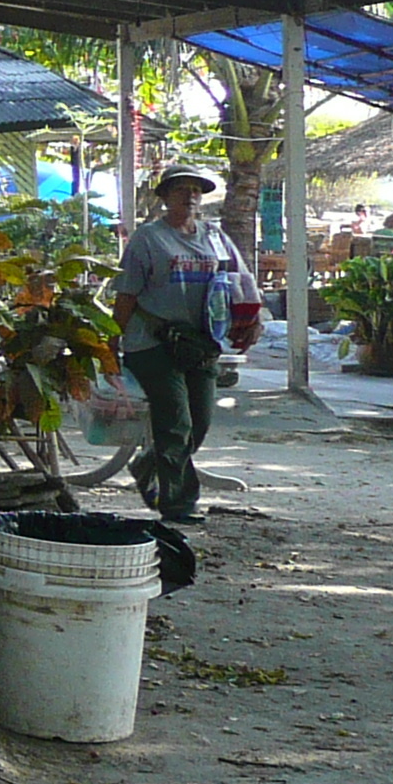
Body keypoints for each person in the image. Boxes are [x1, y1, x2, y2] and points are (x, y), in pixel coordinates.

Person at [111, 165, 264, 524]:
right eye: (180, 189)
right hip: (152, 342)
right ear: (163, 196)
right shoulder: (148, 239)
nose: (190, 195)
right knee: (175, 422)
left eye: (196, 189)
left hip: (200, 342)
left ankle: (149, 463)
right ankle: (178, 504)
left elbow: (241, 279)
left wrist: (253, 319)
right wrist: (110, 342)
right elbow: (126, 294)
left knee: (199, 421)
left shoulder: (214, 236)